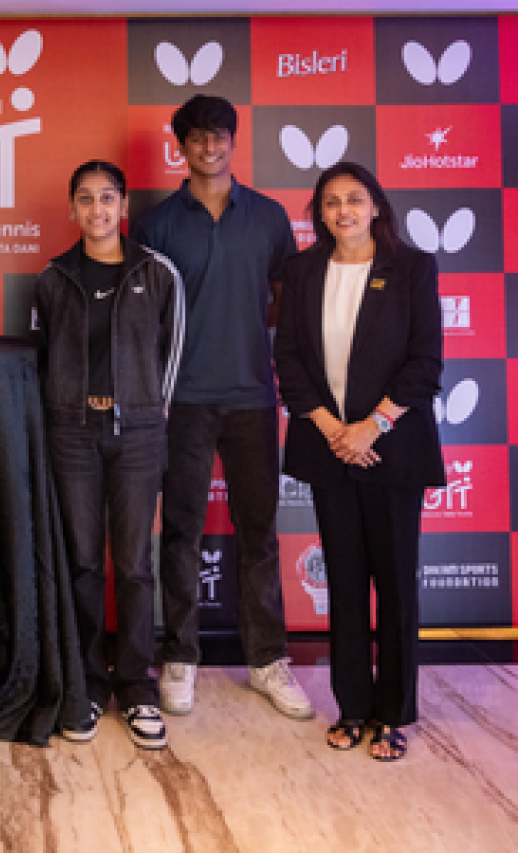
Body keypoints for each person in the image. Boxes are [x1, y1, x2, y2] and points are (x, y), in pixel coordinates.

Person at [132, 94, 313, 720]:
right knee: (181, 529)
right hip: (180, 399)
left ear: (234, 142)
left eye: (220, 136)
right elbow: (144, 317)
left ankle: (267, 659)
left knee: (258, 532)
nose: (210, 147)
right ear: (181, 146)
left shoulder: (268, 217)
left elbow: (284, 300)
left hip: (252, 396)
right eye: (198, 138)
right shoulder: (156, 224)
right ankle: (179, 655)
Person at [274, 162, 443, 761]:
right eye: (330, 202)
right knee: (343, 583)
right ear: (319, 213)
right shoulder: (301, 271)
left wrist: (372, 426)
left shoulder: (412, 267)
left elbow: (425, 362)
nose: (342, 210)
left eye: (354, 199)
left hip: (392, 448)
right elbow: (288, 359)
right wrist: (332, 429)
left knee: (395, 586)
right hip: (330, 448)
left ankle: (392, 715)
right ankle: (351, 707)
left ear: (376, 206)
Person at [31, 161, 184, 749]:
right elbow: (40, 360)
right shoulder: (54, 278)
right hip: (72, 433)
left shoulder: (156, 272)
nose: (97, 209)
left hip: (139, 433)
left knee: (135, 564)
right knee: (83, 563)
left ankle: (137, 686)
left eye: (107, 198)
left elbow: (173, 353)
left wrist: (147, 409)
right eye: (86, 199)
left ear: (123, 206)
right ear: (71, 208)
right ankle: (90, 683)